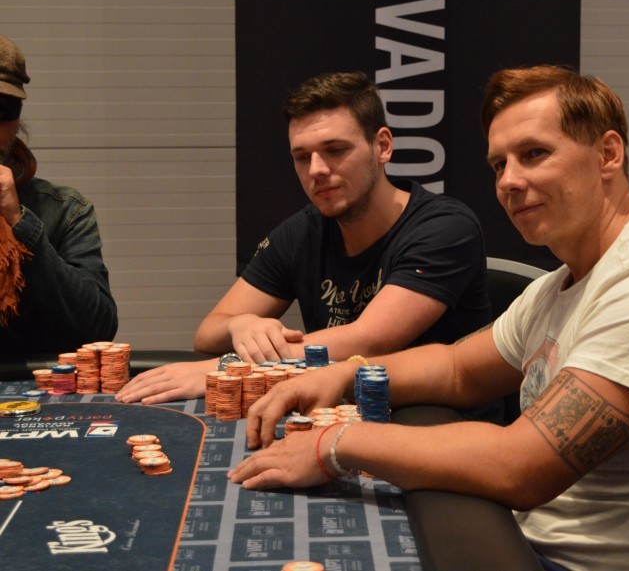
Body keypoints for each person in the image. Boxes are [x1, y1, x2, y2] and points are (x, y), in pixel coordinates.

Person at [227, 65, 629, 571]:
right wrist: (344, 374)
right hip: (520, 539)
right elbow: (458, 369)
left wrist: (335, 444)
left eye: (534, 154)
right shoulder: (561, 284)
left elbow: (519, 466)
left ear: (607, 154)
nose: (509, 180)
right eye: (499, 165)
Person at [116, 71, 491, 405]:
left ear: (382, 146)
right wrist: (240, 326)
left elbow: (369, 340)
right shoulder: (302, 231)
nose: (316, 170)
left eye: (335, 150)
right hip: (342, 407)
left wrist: (228, 367)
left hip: (439, 415)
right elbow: (208, 332)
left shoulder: (445, 227)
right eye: (301, 156)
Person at [0, 34, 118, 352]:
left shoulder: (66, 211)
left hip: (34, 380)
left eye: (2, 109)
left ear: (17, 119)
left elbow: (98, 329)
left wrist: (20, 223)